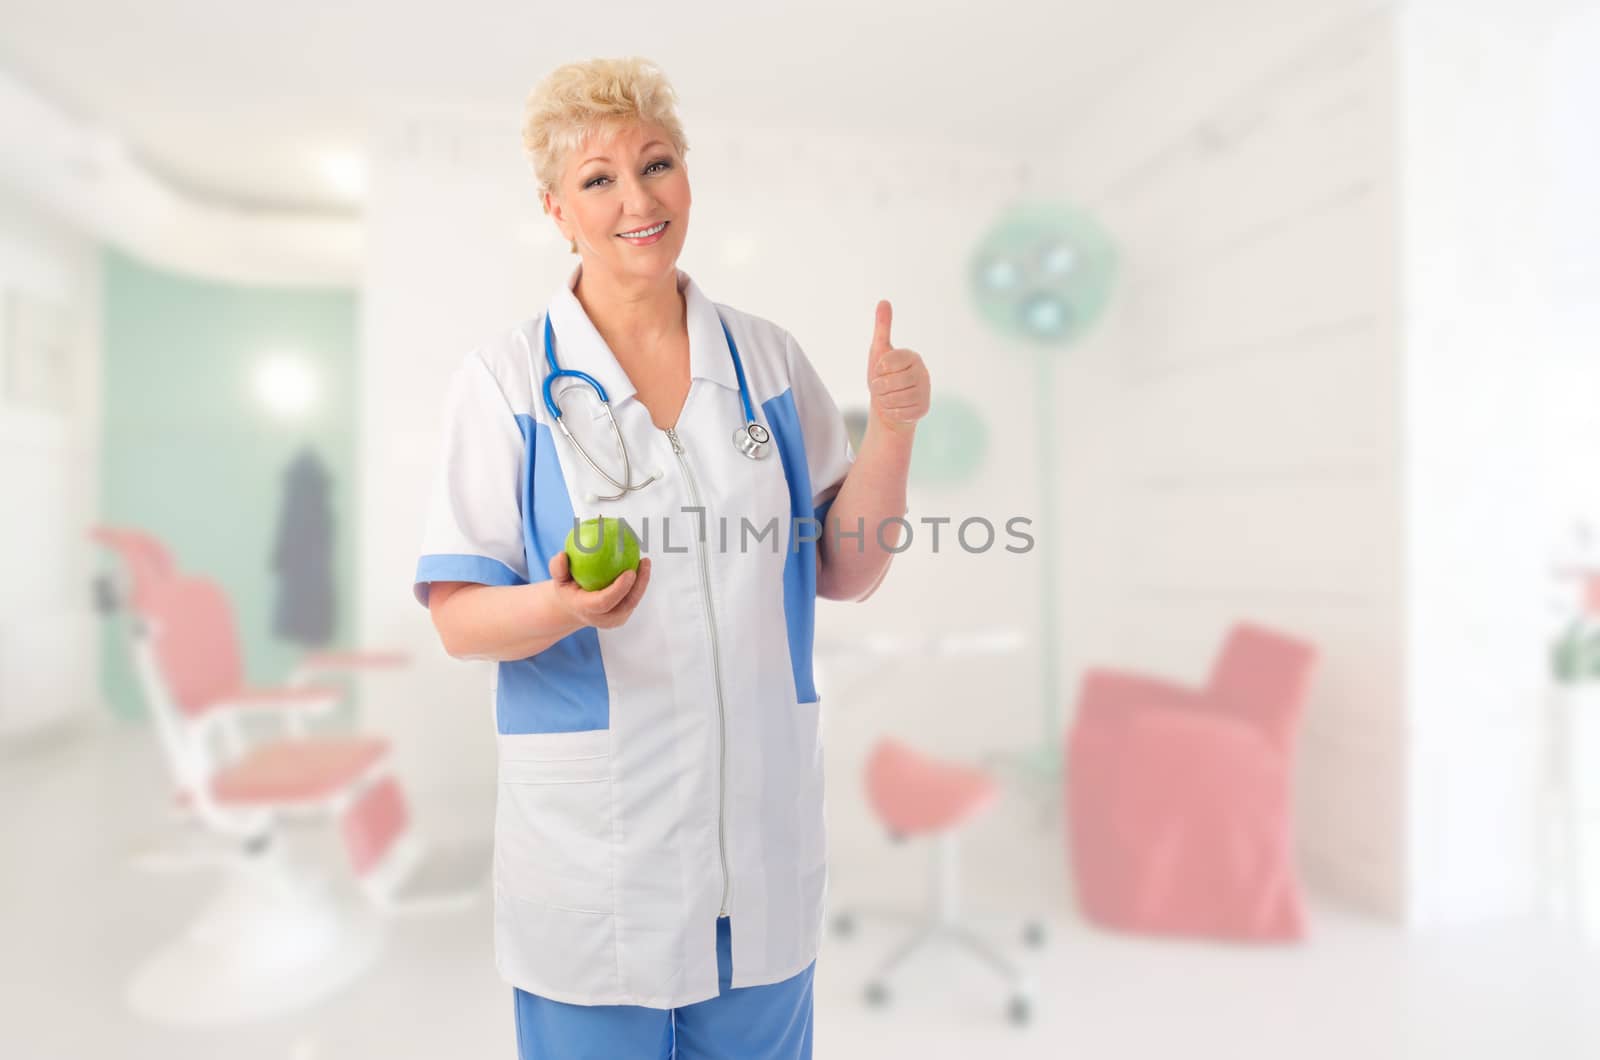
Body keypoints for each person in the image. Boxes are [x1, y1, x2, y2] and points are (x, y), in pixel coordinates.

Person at [413, 56, 930, 1059]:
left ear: (687, 172)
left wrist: (894, 433)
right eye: (598, 179)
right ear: (555, 207)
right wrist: (564, 607)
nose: (636, 199)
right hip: (600, 860)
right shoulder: (506, 381)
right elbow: (457, 617)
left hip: (759, 850)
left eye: (657, 164)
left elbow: (846, 569)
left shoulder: (767, 362)